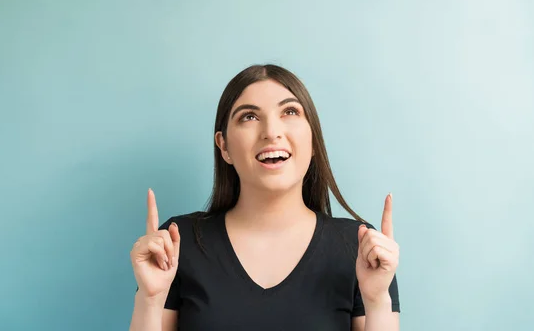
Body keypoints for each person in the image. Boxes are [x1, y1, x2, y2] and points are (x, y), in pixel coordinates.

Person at [129, 64, 401, 331]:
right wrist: (149, 300)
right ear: (224, 146)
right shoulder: (178, 243)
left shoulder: (359, 248)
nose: (271, 132)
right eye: (249, 117)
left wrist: (377, 301)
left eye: (290, 111)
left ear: (313, 140)